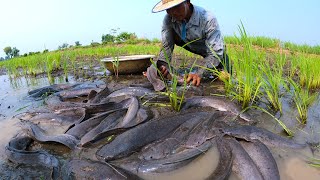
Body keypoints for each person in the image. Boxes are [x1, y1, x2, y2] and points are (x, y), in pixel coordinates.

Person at [151, 0, 231, 87]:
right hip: (189, 44)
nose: (173, 12)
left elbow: (216, 53)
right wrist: (162, 67)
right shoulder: (168, 19)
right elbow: (166, 48)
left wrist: (199, 73)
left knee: (223, 78)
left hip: (215, 52)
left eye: (177, 7)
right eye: (168, 9)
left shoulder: (208, 18)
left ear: (188, 2)